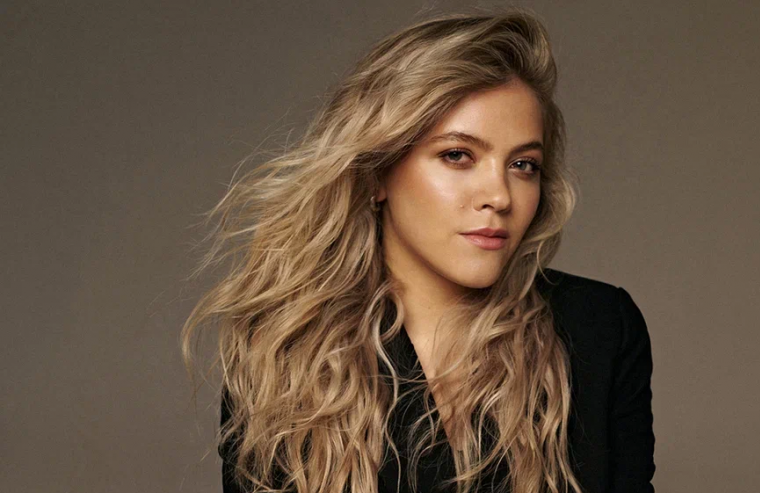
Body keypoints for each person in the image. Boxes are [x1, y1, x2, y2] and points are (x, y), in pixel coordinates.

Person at [181, 7, 655, 493]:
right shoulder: (287, 349)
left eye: (523, 165)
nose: (500, 196)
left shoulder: (599, 329)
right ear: (376, 173)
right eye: (457, 155)